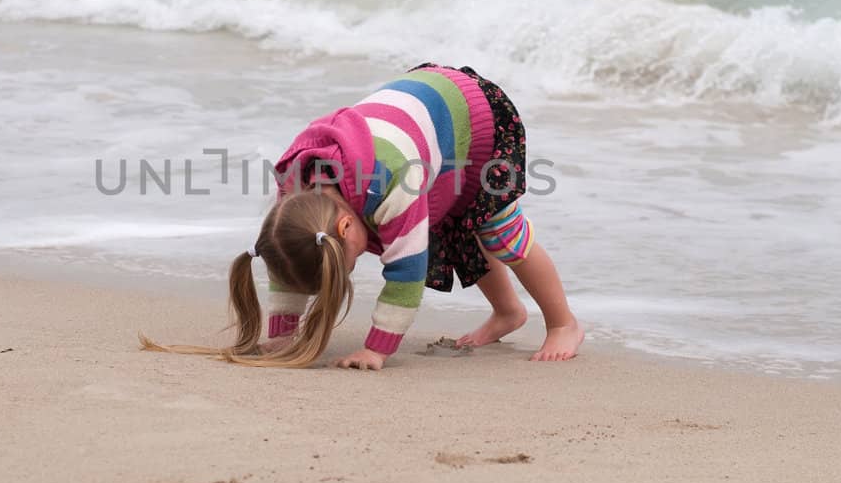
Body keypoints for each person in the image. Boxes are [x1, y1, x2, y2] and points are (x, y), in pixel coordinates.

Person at [146, 64, 583, 370]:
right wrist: (283, 333)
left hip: (472, 114)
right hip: (419, 116)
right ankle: (508, 313)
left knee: (497, 231)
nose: (353, 267)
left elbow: (406, 272)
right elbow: (287, 265)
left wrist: (377, 349)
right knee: (456, 226)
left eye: (347, 261)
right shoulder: (293, 200)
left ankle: (564, 323)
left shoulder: (392, 186)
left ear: (345, 225)